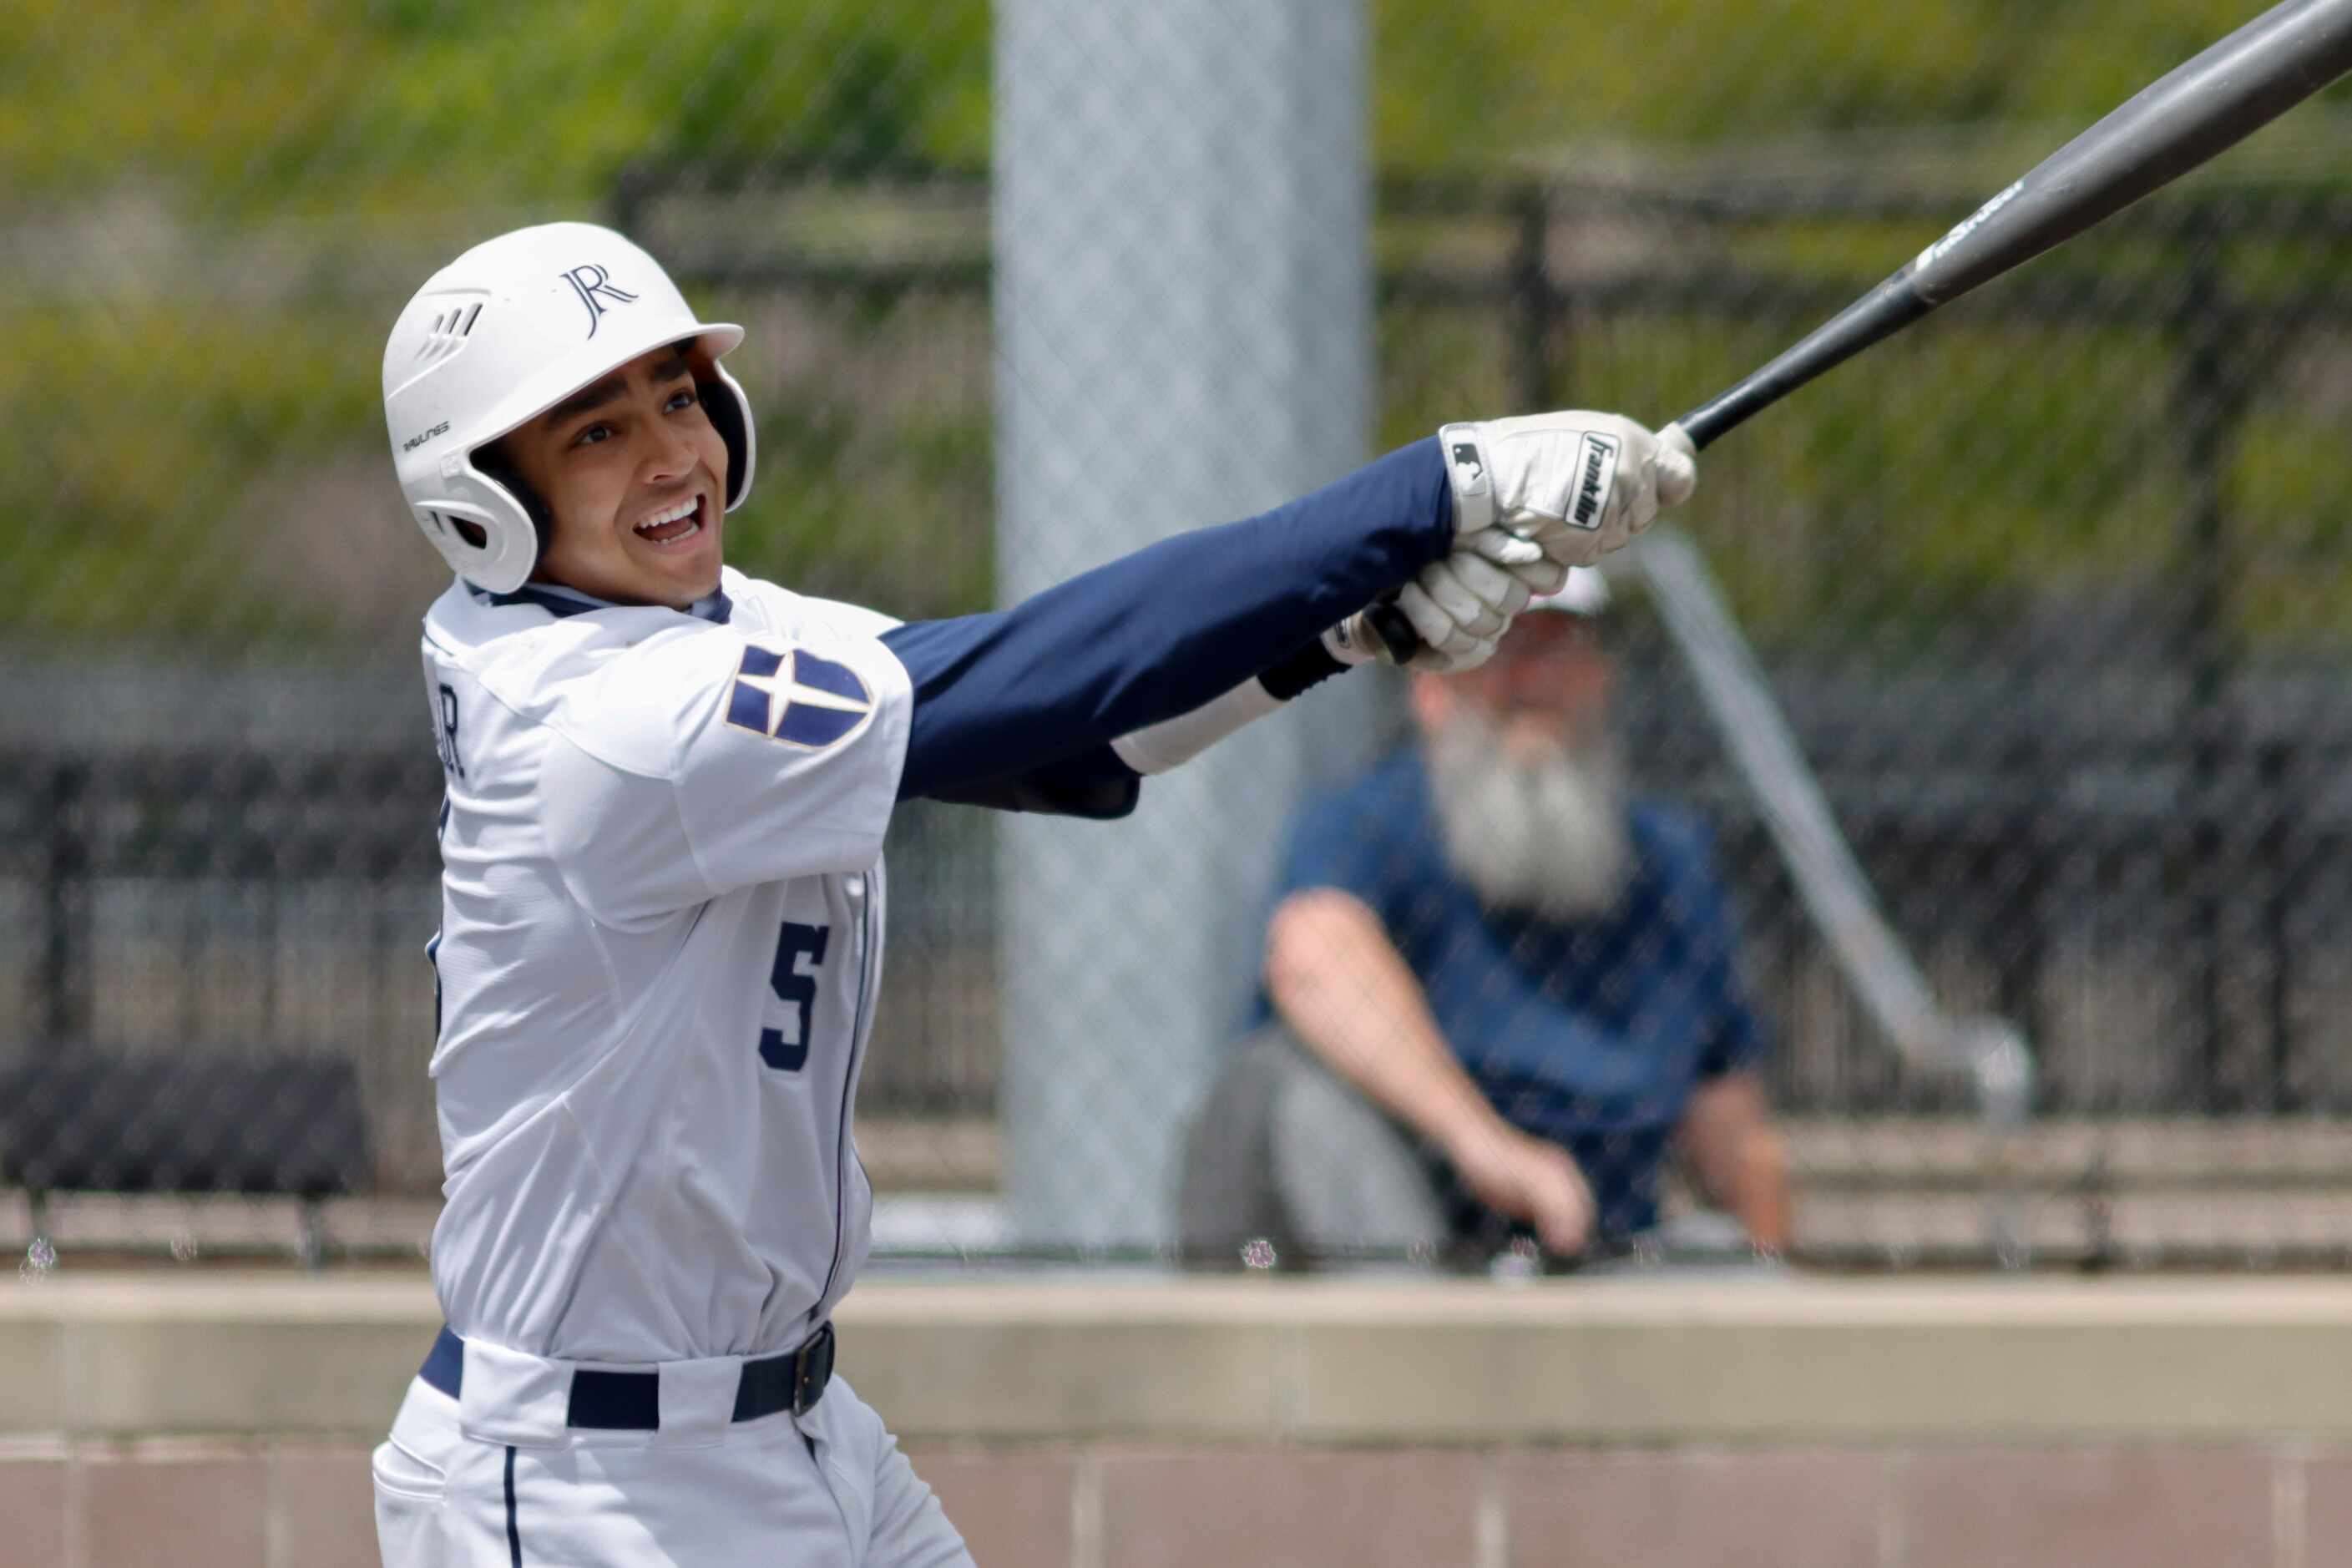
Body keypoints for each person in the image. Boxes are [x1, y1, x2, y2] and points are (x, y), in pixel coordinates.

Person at [367, 220, 1696, 1565]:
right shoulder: (607, 721)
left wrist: (1343, 632)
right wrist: (1436, 485)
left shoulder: (699, 631)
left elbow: (1073, 736)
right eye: (595, 434)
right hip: (594, 1487)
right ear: (484, 498)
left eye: (677, 397)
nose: (671, 454)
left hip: (792, 1426)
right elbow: (1031, 672)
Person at [1181, 569, 1790, 1267]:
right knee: (1287, 1084)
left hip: (1593, 1238)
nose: (1528, 681)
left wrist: (1784, 1292)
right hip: (1405, 1231)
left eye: (1554, 648)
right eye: (1497, 649)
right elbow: (1311, 961)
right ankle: (1416, 1358)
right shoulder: (1369, 822)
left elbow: (1732, 1123)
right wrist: (1485, 1145)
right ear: (1431, 687)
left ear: (1599, 678)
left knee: (1723, 1263)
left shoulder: (1667, 861)